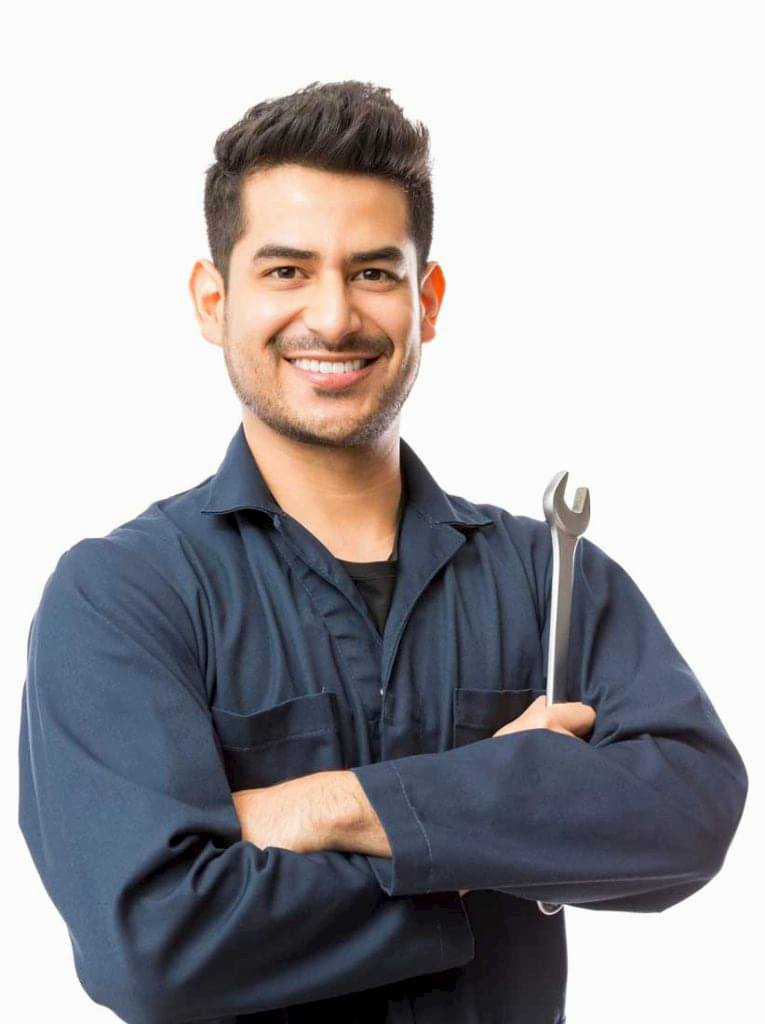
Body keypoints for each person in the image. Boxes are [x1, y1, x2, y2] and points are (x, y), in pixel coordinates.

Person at [18, 80, 748, 1024]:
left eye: (372, 272)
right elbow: (155, 947)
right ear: (213, 300)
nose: (332, 317)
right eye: (286, 270)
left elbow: (688, 816)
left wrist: (326, 807)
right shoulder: (122, 596)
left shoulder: (549, 575)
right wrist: (494, 821)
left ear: (425, 300)